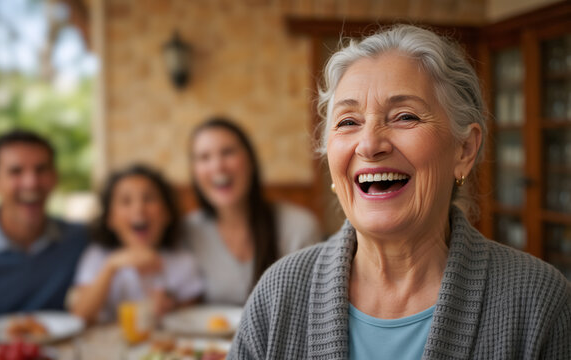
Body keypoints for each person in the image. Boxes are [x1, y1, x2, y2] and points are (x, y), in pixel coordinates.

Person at [229, 25, 571, 359]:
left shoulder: (540, 302)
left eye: (404, 117)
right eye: (348, 121)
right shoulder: (279, 293)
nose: (369, 144)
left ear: (464, 150)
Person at [184, 118, 321, 305]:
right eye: (204, 157)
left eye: (228, 152)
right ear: (194, 172)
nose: (217, 166)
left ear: (250, 160)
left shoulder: (298, 227)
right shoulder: (187, 231)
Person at [0, 130, 88, 321]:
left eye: (41, 170)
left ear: (54, 177)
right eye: (16, 172)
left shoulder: (78, 238)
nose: (31, 182)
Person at [69, 165, 203, 323]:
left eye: (149, 199)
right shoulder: (98, 256)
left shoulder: (182, 260)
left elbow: (194, 316)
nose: (139, 208)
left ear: (167, 213)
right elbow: (80, 316)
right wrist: (111, 266)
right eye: (126, 201)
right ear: (110, 218)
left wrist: (171, 305)